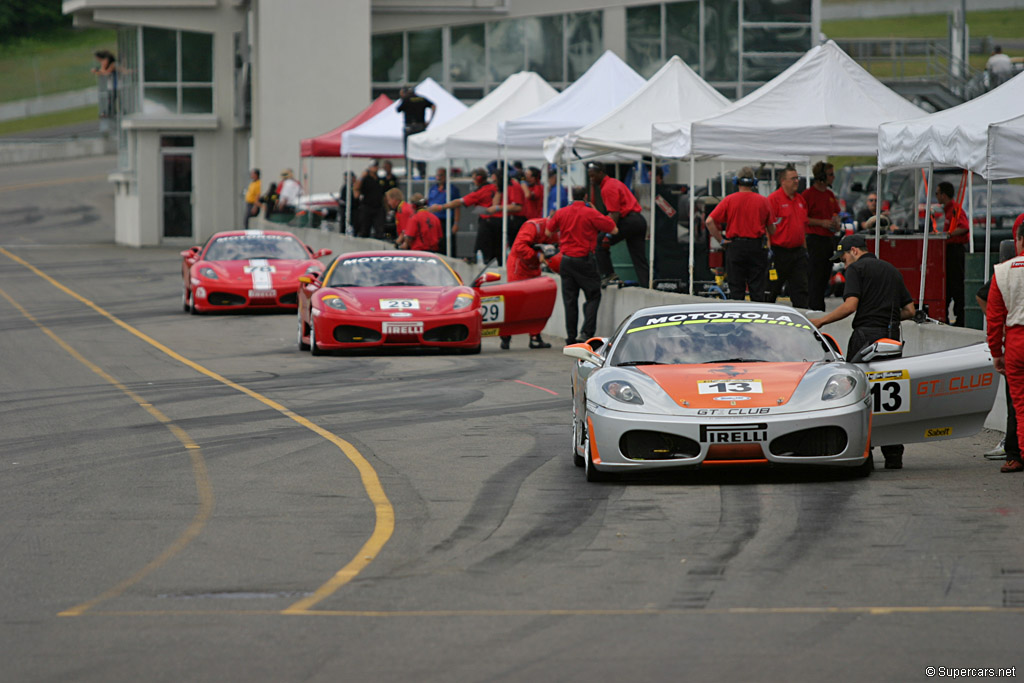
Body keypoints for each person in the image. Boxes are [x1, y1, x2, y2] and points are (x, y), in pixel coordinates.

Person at [809, 233, 916, 469]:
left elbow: (850, 306)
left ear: (855, 251)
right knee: (891, 396)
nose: (844, 263)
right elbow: (909, 309)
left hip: (865, 337)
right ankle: (894, 455)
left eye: (844, 258)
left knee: (858, 394)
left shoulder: (856, 270)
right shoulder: (891, 270)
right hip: (891, 337)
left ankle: (864, 453)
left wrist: (822, 321)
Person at [976, 215, 1024, 471]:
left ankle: (1016, 454)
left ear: (1019, 240)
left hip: (1016, 342)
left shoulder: (1003, 271)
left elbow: (994, 319)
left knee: (1019, 405)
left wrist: (996, 352)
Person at [548, 186, 618, 345]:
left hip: (565, 260)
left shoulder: (561, 212)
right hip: (584, 259)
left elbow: (548, 231)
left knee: (570, 301)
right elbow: (613, 229)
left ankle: (570, 337)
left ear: (572, 195)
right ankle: (586, 333)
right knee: (593, 295)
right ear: (586, 196)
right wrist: (595, 212)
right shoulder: (590, 213)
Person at [705, 166, 775, 302]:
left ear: (737, 181)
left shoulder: (729, 200)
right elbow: (772, 230)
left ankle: (738, 320)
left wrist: (722, 240)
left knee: (736, 290)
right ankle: (757, 319)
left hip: (735, 247)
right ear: (754, 182)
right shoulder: (763, 201)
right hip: (756, 247)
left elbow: (709, 222)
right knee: (757, 290)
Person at [499, 216, 562, 350]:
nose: (554, 233)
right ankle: (506, 334)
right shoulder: (533, 226)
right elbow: (519, 247)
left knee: (536, 303)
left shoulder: (555, 232)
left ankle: (535, 337)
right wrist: (537, 256)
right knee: (514, 301)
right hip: (519, 266)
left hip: (534, 267)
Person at [586, 161, 650, 288]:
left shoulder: (607, 187)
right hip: (639, 221)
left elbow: (614, 214)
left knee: (599, 243)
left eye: (593, 176)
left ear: (601, 173)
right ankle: (646, 285)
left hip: (628, 221)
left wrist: (607, 235)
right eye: (589, 177)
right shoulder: (614, 182)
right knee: (639, 258)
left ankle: (609, 275)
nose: (591, 180)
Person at [428, 168, 500, 262]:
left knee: (483, 247)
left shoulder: (480, 192)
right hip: (499, 221)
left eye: (474, 179)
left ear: (479, 179)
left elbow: (459, 202)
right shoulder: (494, 187)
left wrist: (441, 207)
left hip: (487, 222)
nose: (473, 182)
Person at [766, 166, 809, 308]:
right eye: (793, 178)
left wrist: (804, 249)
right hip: (779, 253)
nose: (797, 181)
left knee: (800, 291)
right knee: (772, 290)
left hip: (798, 253)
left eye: (798, 178)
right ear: (783, 181)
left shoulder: (800, 200)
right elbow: (767, 225)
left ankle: (802, 323)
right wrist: (768, 250)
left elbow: (801, 226)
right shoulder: (773, 200)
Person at [803, 161, 842, 310]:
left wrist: (836, 223)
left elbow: (836, 213)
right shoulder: (808, 195)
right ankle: (813, 306)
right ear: (821, 176)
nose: (833, 177)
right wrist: (821, 223)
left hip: (828, 239)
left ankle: (820, 305)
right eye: (830, 174)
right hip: (814, 240)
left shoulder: (830, 194)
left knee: (825, 274)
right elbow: (803, 218)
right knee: (815, 276)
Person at [935, 181, 970, 326]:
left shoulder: (955, 209)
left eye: (937, 193)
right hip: (949, 252)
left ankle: (960, 318)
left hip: (956, 251)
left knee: (956, 285)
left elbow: (964, 227)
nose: (936, 196)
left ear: (943, 194)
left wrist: (948, 235)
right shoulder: (946, 210)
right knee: (949, 285)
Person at [397, 84, 435, 178]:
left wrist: (402, 97)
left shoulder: (406, 100)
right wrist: (429, 121)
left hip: (410, 127)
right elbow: (434, 106)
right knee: (421, 149)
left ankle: (409, 173)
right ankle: (422, 172)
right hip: (420, 127)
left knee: (409, 150)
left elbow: (398, 109)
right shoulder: (422, 99)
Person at [428, 167, 461, 255]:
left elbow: (457, 206)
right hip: (434, 221)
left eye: (441, 175)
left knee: (448, 243)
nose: (439, 177)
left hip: (447, 220)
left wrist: (456, 223)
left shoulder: (452, 189)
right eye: (438, 175)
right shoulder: (432, 189)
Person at [354, 160, 384, 238]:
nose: (375, 168)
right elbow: (356, 188)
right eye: (373, 167)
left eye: (376, 166)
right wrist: (361, 177)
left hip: (378, 207)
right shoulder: (365, 179)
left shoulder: (379, 179)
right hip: (367, 206)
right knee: (365, 229)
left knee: (379, 229)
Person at [91, 50, 118, 120]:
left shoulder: (113, 65)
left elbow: (107, 73)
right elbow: (103, 71)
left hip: (115, 85)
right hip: (110, 86)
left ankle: (111, 112)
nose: (103, 63)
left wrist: (98, 71)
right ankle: (110, 112)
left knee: (112, 99)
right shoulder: (107, 64)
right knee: (109, 99)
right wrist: (98, 71)